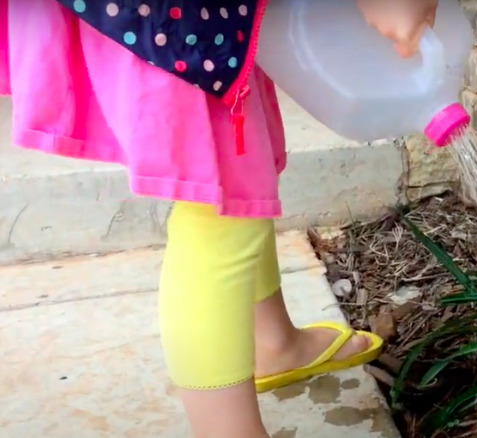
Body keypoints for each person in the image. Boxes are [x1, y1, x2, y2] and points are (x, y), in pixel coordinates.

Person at [0, 0, 438, 437]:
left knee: (240, 180)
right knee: (220, 211)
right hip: (173, 24)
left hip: (180, 20)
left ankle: (274, 342)